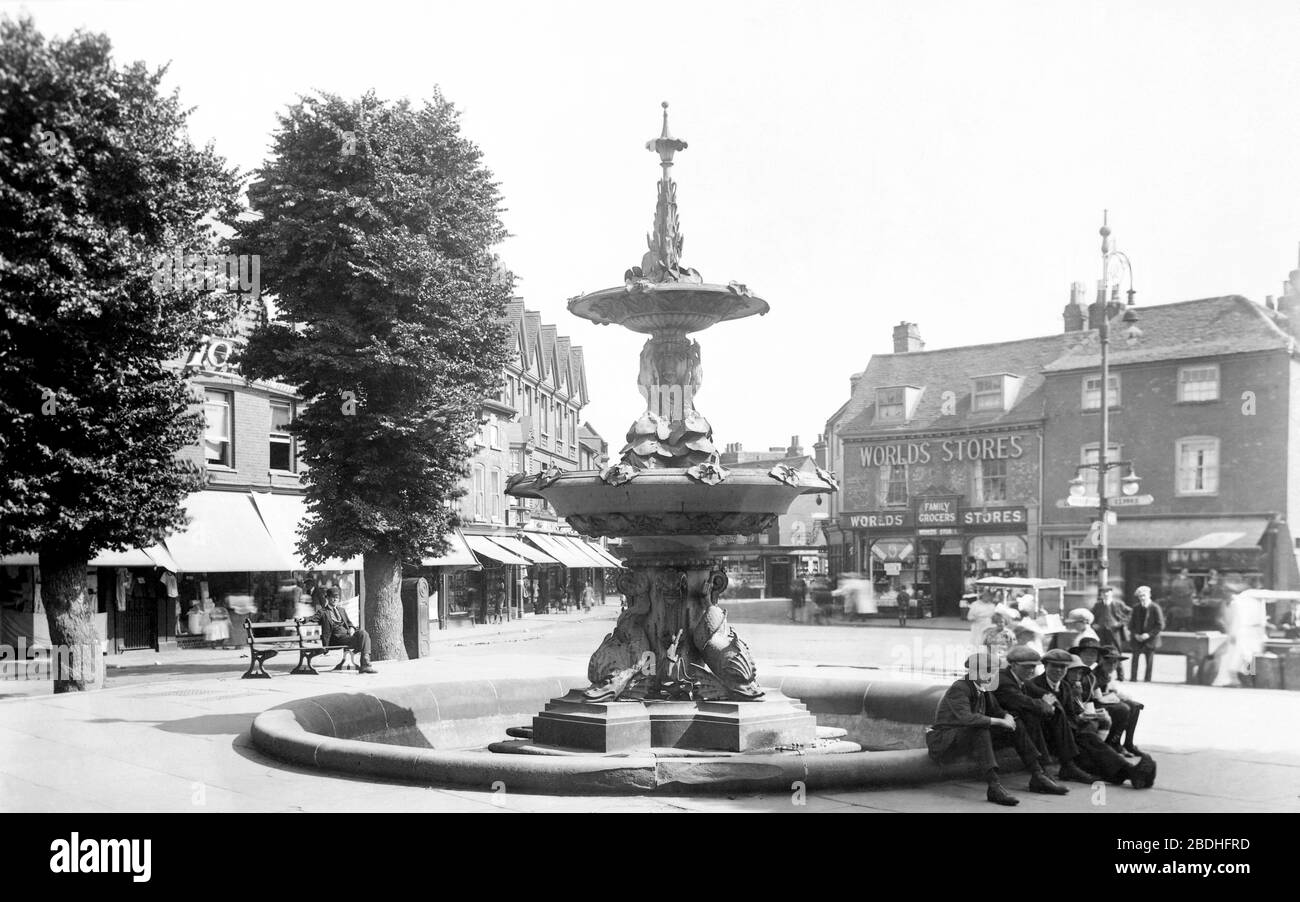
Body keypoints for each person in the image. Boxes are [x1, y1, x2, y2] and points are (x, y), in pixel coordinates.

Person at [925, 653, 1065, 806]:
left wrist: (1008, 717)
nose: (991, 675)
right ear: (972, 671)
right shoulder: (960, 688)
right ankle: (994, 785)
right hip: (946, 741)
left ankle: (1037, 774)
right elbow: (967, 719)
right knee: (981, 728)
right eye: (986, 670)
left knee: (1016, 725)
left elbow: (997, 710)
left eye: (993, 671)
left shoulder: (983, 687)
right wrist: (999, 721)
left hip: (966, 737)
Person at [1028, 650, 1156, 789]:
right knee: (1089, 742)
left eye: (1063, 667)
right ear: (1045, 666)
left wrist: (1081, 714)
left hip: (1069, 735)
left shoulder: (1065, 686)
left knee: (1091, 746)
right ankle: (1130, 772)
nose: (1059, 671)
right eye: (1054, 666)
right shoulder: (1034, 685)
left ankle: (1129, 773)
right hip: (1049, 737)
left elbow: (1072, 714)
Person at [1213, 578, 1266, 687]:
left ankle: (1248, 679)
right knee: (1240, 656)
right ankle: (1237, 679)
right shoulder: (1239, 602)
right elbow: (1236, 619)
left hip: (1248, 632)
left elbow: (1241, 619)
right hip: (1241, 632)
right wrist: (1232, 632)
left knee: (1248, 657)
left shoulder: (1248, 601)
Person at [1093, 645, 1144, 755]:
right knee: (1123, 708)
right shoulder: (1095, 675)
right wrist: (1115, 696)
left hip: (1107, 700)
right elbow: (1098, 697)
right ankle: (1113, 742)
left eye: (1115, 663)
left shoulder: (1108, 674)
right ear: (1101, 660)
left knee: (1135, 706)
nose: (1112, 666)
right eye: (1108, 662)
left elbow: (1113, 691)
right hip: (1095, 704)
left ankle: (1128, 742)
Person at [314, 587, 377, 673]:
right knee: (364, 641)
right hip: (336, 639)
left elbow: (349, 623)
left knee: (363, 633)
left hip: (347, 637)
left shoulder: (341, 610)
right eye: (332, 597)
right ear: (327, 598)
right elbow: (313, 618)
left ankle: (365, 663)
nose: (335, 599)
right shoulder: (323, 612)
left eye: (337, 597)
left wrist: (351, 628)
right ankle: (365, 665)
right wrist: (303, 619)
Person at [1128, 586, 1164, 682]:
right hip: (1137, 638)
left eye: (1144, 595)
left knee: (1149, 661)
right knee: (1135, 658)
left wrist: (1149, 634)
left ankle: (1147, 679)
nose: (1142, 598)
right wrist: (1135, 634)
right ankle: (1133, 678)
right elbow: (1131, 624)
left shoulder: (1155, 608)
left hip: (1150, 639)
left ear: (1149, 595)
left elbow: (1160, 625)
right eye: (1140, 596)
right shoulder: (1136, 608)